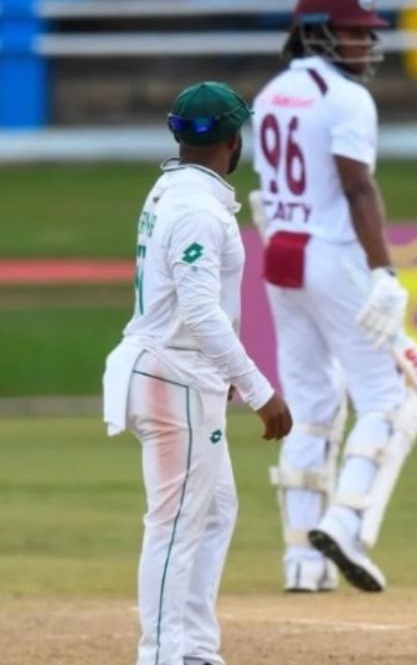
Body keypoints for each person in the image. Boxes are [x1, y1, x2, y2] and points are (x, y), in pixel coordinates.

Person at [102, 81, 293, 665]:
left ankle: (196, 650)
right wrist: (261, 390)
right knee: (178, 522)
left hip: (177, 373)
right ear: (234, 140)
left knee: (213, 511)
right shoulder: (195, 207)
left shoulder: (174, 190)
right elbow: (200, 312)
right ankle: (163, 655)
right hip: (173, 377)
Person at [252, 0, 417, 594]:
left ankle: (302, 560)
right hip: (333, 254)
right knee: (389, 401)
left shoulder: (272, 93)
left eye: (366, 33)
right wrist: (384, 271)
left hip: (280, 251)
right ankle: (346, 524)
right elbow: (356, 185)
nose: (363, 44)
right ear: (316, 32)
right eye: (351, 32)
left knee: (312, 405)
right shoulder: (346, 99)